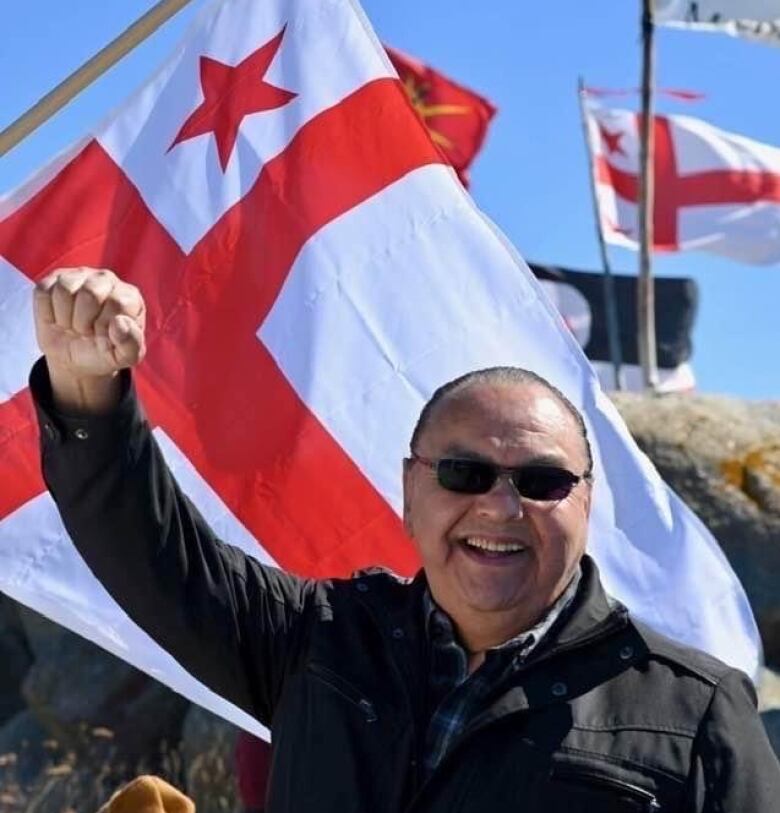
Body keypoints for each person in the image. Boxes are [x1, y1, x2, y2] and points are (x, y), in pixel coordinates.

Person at [30, 267, 780, 812]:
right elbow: (152, 552)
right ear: (410, 491)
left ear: (585, 502)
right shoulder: (313, 641)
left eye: (543, 481)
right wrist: (84, 389)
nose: (501, 505)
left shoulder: (697, 712)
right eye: (464, 472)